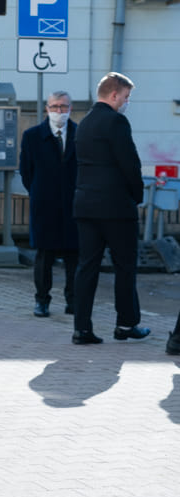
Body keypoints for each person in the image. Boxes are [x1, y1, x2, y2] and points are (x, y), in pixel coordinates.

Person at [72, 72, 149, 345]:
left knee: (87, 267)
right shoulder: (116, 122)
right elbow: (130, 163)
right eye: (126, 97)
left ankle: (82, 328)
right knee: (125, 266)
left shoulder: (84, 123)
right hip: (115, 207)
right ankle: (126, 324)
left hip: (85, 205)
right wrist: (137, 195)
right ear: (114, 95)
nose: (127, 102)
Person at [19, 90, 79, 318]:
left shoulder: (79, 134)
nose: (59, 111)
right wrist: (38, 192)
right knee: (44, 257)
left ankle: (73, 301)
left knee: (74, 256)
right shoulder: (33, 136)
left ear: (70, 108)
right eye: (54, 107)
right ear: (47, 109)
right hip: (45, 205)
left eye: (63, 107)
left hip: (73, 205)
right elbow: (26, 172)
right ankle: (42, 301)